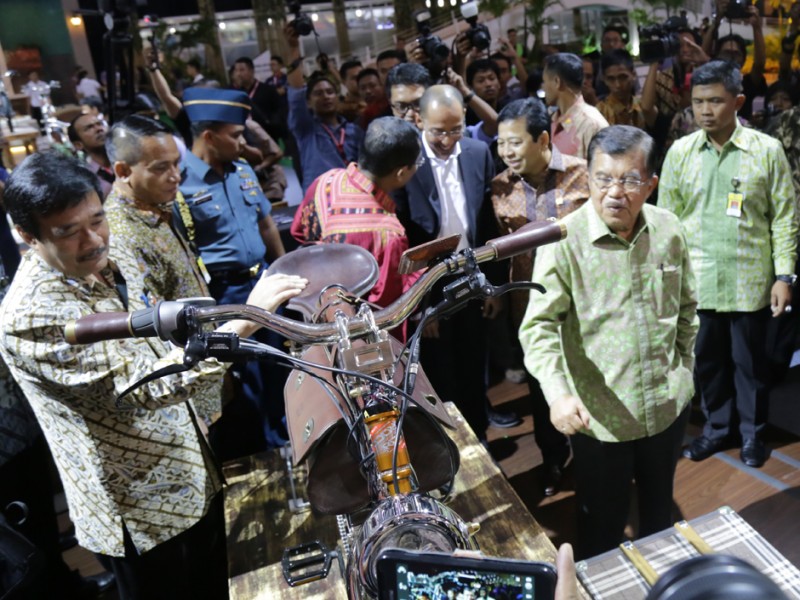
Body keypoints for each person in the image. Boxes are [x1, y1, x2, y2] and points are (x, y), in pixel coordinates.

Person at [0, 151, 306, 600]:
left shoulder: (99, 262)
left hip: (189, 472)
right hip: (140, 509)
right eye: (67, 231)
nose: (93, 240)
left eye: (97, 220)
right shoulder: (31, 316)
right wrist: (246, 319)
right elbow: (147, 386)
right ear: (27, 235)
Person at [520, 125, 698, 558]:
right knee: (602, 528)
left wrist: (684, 369)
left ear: (650, 184)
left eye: (630, 180)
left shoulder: (669, 229)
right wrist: (558, 394)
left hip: (665, 407)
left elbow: (687, 307)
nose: (615, 192)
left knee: (659, 517)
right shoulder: (563, 241)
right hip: (600, 419)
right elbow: (538, 327)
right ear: (588, 178)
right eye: (603, 179)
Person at [659, 60, 798, 469]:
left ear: (737, 102)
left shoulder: (766, 150)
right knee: (707, 364)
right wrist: (667, 277)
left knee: (751, 365)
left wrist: (784, 276)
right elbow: (666, 221)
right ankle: (718, 429)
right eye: (698, 101)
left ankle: (753, 434)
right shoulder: (680, 153)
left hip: (749, 280)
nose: (705, 110)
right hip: (697, 281)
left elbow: (785, 217)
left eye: (716, 101)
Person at [393, 85, 516, 440]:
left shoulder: (478, 152)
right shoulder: (406, 163)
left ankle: (480, 442)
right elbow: (404, 238)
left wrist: (492, 285)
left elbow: (487, 223)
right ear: (419, 121)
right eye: (438, 132)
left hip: (472, 273)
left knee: (474, 367)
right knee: (439, 374)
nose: (447, 140)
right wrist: (420, 305)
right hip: (430, 283)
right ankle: (448, 448)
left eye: (455, 129)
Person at [176, 87, 289, 458]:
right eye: (236, 136)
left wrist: (283, 269)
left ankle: (288, 443)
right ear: (209, 137)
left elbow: (266, 223)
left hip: (265, 281)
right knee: (247, 381)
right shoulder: (181, 185)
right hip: (227, 295)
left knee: (280, 367)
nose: (244, 144)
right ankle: (265, 455)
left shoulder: (242, 171)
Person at [492, 97, 590, 495]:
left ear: (543, 139)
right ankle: (553, 460)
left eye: (515, 142)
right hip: (529, 307)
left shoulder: (584, 174)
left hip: (583, 306)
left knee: (588, 382)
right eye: (501, 143)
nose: (507, 152)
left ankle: (595, 460)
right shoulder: (500, 187)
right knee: (541, 387)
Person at [291, 117, 420, 313]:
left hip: (314, 310)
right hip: (355, 325)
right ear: (401, 173)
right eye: (417, 162)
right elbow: (386, 305)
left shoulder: (325, 182)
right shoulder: (388, 233)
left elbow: (298, 232)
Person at [284, 25, 364, 191]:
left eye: (330, 92)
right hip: (320, 199)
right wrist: (293, 48)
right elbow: (296, 93)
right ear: (308, 102)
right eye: (318, 94)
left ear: (337, 97)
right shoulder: (306, 130)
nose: (326, 96)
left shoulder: (354, 130)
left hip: (353, 196)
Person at [702, 0, 766, 120]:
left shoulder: (747, 83)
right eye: (726, 53)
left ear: (744, 59)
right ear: (716, 56)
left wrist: (757, 27)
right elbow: (702, 57)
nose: (731, 58)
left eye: (736, 54)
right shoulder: (709, 78)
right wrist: (717, 22)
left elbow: (759, 64)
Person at [541, 53, 609, 159]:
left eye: (544, 81)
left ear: (557, 82)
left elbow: (603, 167)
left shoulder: (592, 124)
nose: (543, 87)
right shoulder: (552, 119)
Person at [596, 49, 656, 130]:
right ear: (604, 80)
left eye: (623, 77)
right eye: (611, 79)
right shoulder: (599, 113)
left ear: (633, 75)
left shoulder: (642, 106)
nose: (617, 85)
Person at [68, 113, 113, 199]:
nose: (99, 129)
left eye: (100, 124)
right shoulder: (85, 180)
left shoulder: (129, 159)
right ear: (78, 145)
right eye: (89, 128)